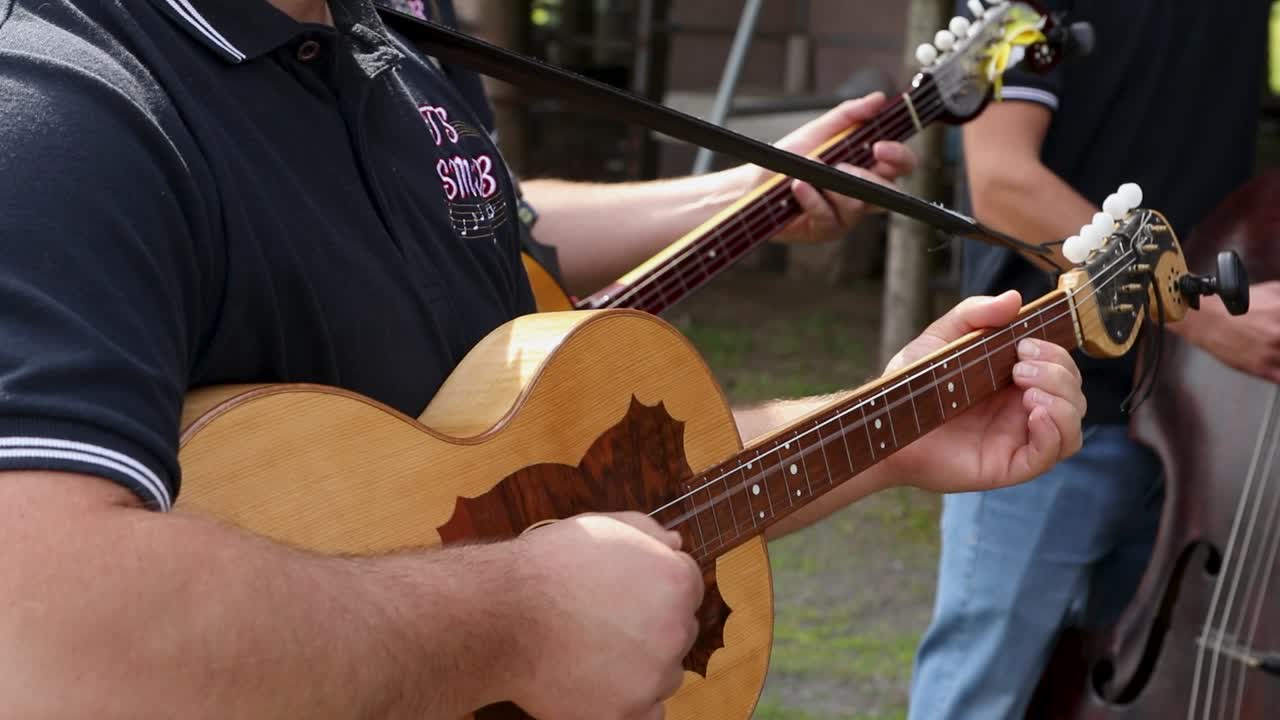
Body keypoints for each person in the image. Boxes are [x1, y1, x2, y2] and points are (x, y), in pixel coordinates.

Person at [0, 0, 1086, 717]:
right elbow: (35, 628)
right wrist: (515, 617)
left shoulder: (406, 68)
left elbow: (516, 479)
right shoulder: (64, 110)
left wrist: (877, 426)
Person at [908, 1, 1278, 718]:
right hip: (1039, 405)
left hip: (1200, 433)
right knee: (979, 698)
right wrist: (1193, 311)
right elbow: (1004, 185)